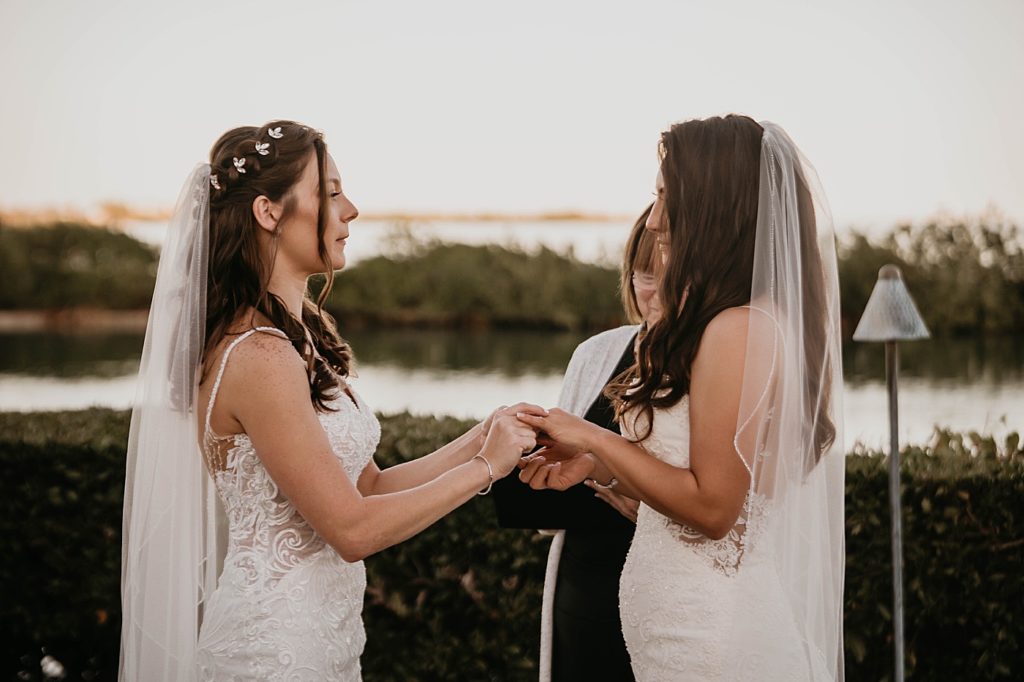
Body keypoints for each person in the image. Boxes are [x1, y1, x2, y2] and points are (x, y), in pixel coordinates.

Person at [119, 120, 545, 681]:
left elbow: (367, 487)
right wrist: (489, 467)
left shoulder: (294, 344)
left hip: (325, 641)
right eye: (331, 193)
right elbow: (352, 529)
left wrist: (483, 435)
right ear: (269, 212)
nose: (352, 210)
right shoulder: (259, 355)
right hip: (274, 653)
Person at [518, 116, 846, 681]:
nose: (656, 218)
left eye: (665, 195)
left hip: (712, 635)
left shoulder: (740, 329)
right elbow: (710, 485)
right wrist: (596, 468)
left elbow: (715, 510)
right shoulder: (736, 323)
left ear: (712, 205)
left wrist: (592, 434)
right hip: (680, 629)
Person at [491, 206, 660, 682]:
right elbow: (564, 469)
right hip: (584, 589)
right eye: (646, 275)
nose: (656, 294)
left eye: (673, 277)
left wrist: (642, 499)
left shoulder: (721, 364)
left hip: (670, 595)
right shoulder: (597, 353)